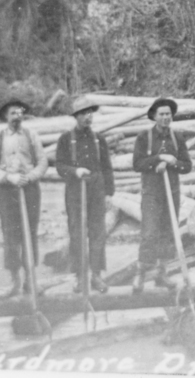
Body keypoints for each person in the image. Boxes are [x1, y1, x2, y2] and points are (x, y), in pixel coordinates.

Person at [131, 98, 192, 293]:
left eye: (168, 114)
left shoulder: (177, 138)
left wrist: (173, 163)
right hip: (151, 192)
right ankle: (140, 274)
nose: (165, 117)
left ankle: (161, 274)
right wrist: (158, 159)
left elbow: (187, 166)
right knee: (149, 233)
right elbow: (137, 164)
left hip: (171, 193)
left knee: (168, 232)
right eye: (162, 114)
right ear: (154, 116)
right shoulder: (144, 137)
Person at [55, 96, 115, 294]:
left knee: (98, 232)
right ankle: (80, 276)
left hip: (96, 188)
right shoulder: (66, 139)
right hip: (75, 190)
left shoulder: (99, 139)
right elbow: (60, 166)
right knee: (77, 232)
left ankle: (96, 275)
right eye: (83, 113)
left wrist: (108, 194)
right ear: (76, 116)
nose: (88, 117)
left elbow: (107, 167)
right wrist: (75, 171)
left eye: (90, 113)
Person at [0, 99, 47, 297]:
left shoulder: (31, 135)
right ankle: (14, 281)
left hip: (29, 189)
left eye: (20, 113)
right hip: (7, 191)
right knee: (11, 235)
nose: (17, 117)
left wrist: (30, 176)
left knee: (31, 233)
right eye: (13, 113)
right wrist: (8, 177)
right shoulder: (0, 137)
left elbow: (43, 161)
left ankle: (30, 280)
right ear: (5, 117)